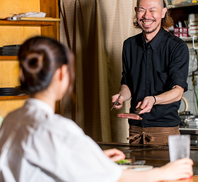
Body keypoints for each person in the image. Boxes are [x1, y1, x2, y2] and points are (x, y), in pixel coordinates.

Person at [0, 36, 193, 182]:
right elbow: (116, 177)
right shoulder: (57, 128)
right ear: (62, 74)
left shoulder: (10, 119)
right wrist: (164, 172)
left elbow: (40, 158)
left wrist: (95, 158)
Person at [112, 0, 189, 145]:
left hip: (164, 131)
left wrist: (154, 99)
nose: (147, 16)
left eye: (152, 10)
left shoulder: (177, 47)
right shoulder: (129, 45)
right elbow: (127, 83)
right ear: (135, 11)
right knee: (134, 170)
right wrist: (121, 96)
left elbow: (178, 91)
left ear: (163, 12)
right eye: (142, 10)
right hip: (134, 129)